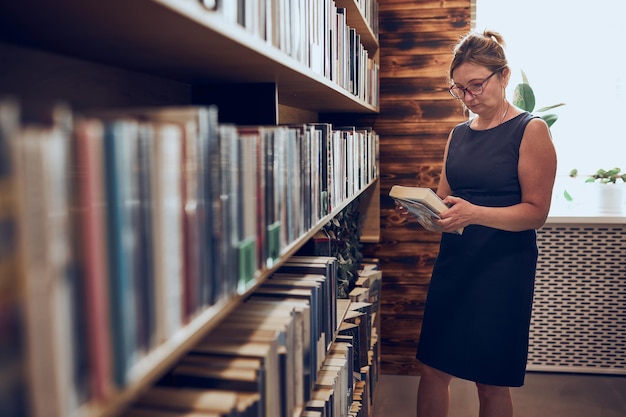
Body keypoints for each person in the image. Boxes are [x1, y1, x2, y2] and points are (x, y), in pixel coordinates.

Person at [398, 30, 557, 417]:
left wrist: (475, 214)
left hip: (503, 267)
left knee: (490, 379)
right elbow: (447, 202)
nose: (468, 97)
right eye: (459, 90)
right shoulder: (457, 135)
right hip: (456, 262)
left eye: (476, 85)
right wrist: (425, 213)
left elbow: (536, 212)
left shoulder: (531, 130)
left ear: (503, 76)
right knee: (433, 367)